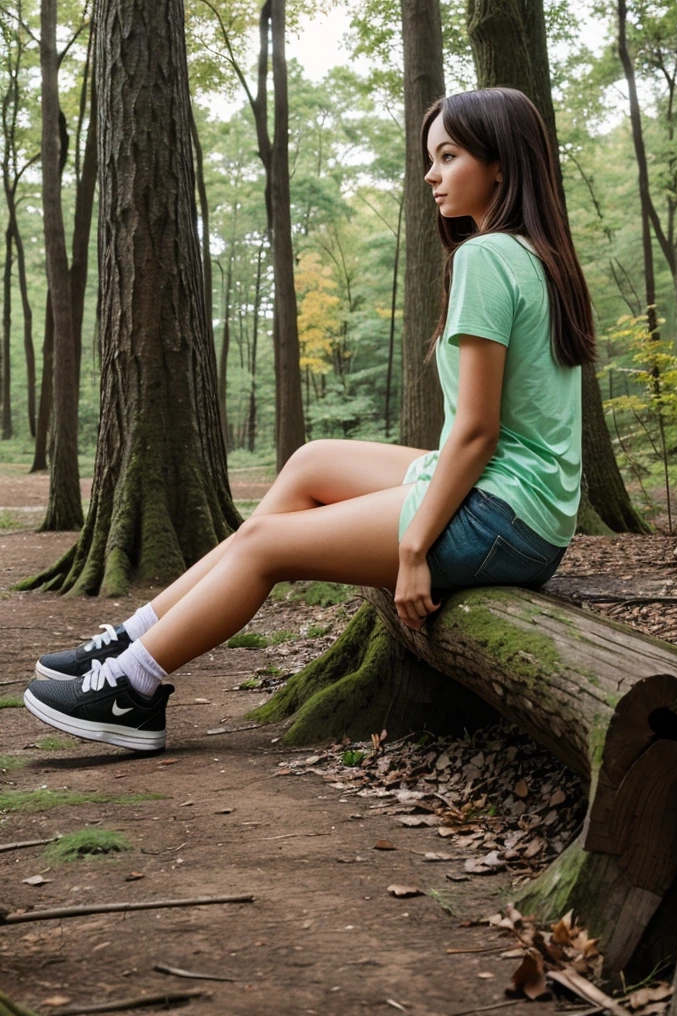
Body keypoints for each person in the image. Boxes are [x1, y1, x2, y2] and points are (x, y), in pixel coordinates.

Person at [23, 86, 596, 753]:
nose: (431, 174)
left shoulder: (485, 257)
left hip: (503, 512)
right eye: (429, 158)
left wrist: (413, 551)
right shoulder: (536, 255)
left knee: (266, 544)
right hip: (528, 508)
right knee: (313, 461)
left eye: (449, 155)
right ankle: (131, 637)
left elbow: (476, 430)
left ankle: (131, 688)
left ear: (500, 165)